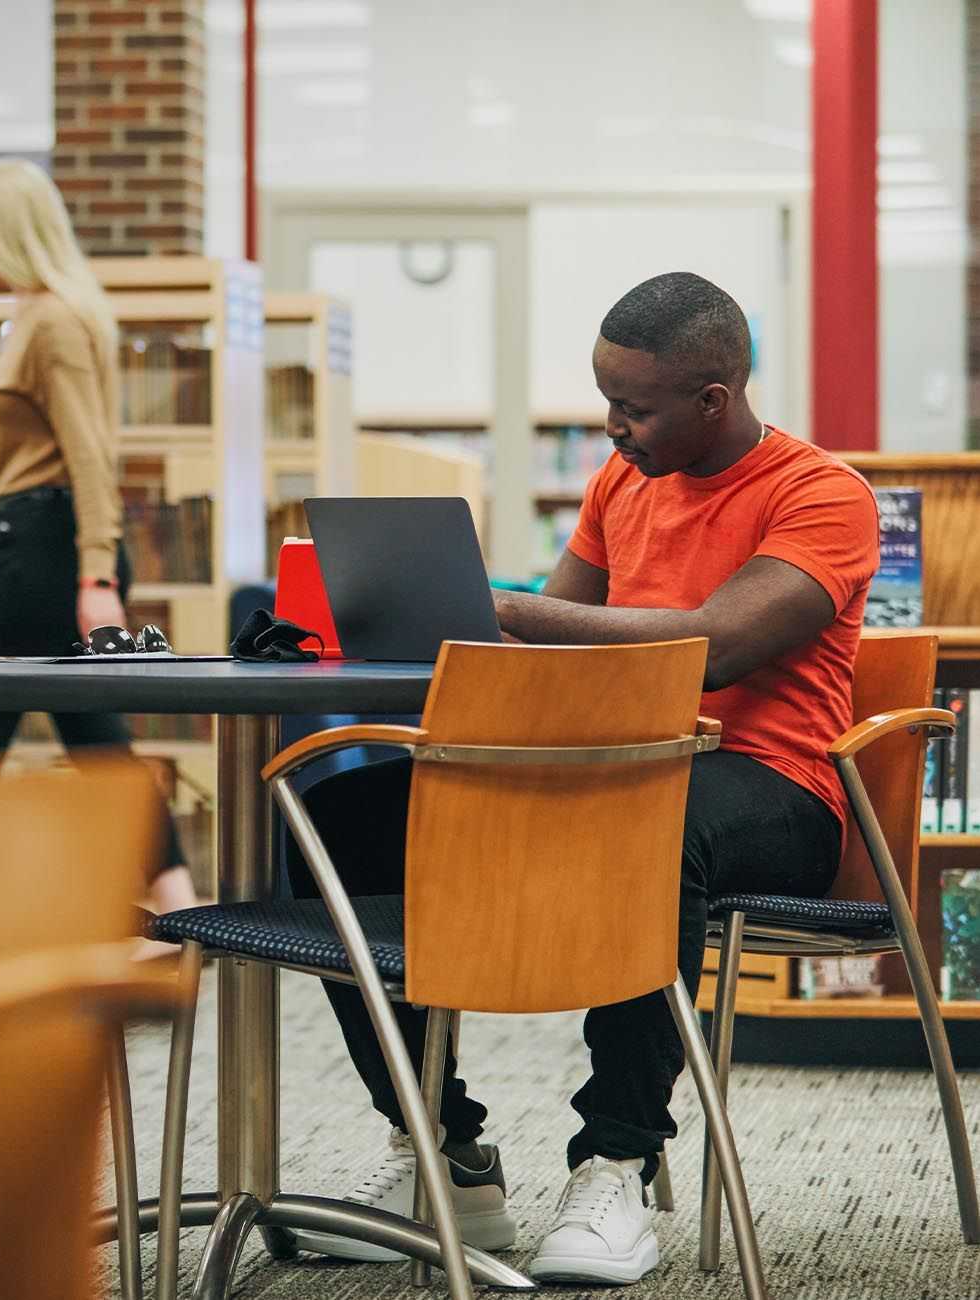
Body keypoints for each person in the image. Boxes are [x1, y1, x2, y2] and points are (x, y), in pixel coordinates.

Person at [288, 271, 879, 1285]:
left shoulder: (820, 493)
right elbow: (550, 654)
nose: (611, 428)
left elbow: (715, 646)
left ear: (712, 400)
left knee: (652, 819)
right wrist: (432, 616)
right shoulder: (622, 485)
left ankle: (615, 1157)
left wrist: (507, 609)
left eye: (632, 409)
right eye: (606, 401)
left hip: (770, 786)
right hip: (603, 770)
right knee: (331, 817)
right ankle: (446, 1153)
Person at [0, 158, 198, 918]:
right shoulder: (35, 315)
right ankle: (181, 907)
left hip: (45, 549)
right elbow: (21, 434)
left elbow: (89, 456)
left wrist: (98, 578)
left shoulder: (53, 319)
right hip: (37, 538)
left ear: (10, 233)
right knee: (94, 739)